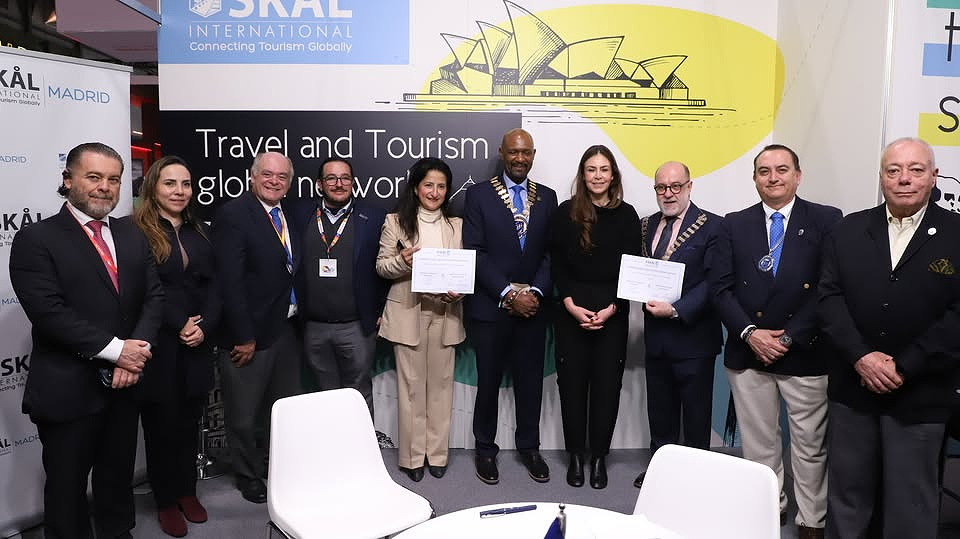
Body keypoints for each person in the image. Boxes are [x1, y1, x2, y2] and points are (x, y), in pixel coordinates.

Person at [9, 142, 163, 539]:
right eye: (93, 177)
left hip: (124, 388)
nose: (105, 187)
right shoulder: (36, 239)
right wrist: (119, 352)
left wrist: (135, 353)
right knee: (67, 490)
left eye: (113, 179)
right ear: (68, 180)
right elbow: (49, 313)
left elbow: (153, 298)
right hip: (68, 391)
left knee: (117, 480)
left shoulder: (132, 234)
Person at [819, 137, 960, 538]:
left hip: (922, 393)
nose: (904, 179)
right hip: (853, 388)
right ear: (881, 177)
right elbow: (828, 299)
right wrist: (862, 358)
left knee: (910, 504)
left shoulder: (956, 233)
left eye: (916, 170)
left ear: (934, 176)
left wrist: (904, 366)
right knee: (847, 499)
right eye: (893, 170)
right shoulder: (847, 230)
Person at [707, 144, 841, 538]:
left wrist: (789, 337)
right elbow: (720, 289)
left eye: (782, 169)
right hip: (749, 351)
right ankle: (769, 506)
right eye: (764, 171)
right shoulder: (734, 224)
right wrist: (750, 333)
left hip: (806, 350)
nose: (773, 177)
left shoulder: (826, 220)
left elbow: (828, 287)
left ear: (798, 175)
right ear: (754, 179)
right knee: (759, 444)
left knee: (809, 445)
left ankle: (812, 519)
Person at [212, 151, 309, 504]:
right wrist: (243, 336)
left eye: (282, 177)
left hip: (285, 328)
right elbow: (229, 282)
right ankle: (248, 475)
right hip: (249, 334)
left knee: (282, 409)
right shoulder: (234, 214)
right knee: (244, 413)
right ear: (252, 177)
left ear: (289, 183)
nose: (274, 181)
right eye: (267, 174)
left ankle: (275, 466)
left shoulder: (287, 214)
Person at [463, 128, 558, 485]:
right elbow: (476, 251)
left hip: (533, 308)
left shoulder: (547, 197)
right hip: (492, 307)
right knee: (488, 383)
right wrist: (508, 294)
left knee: (530, 384)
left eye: (526, 152)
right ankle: (485, 449)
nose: (520, 158)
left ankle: (529, 448)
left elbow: (551, 253)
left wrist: (535, 292)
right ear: (502, 153)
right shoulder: (478, 195)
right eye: (514, 152)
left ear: (533, 155)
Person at [133, 156, 220, 537]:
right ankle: (166, 500)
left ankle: (187, 491)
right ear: (153, 187)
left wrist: (205, 326)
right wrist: (179, 322)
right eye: (170, 183)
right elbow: (143, 288)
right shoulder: (136, 232)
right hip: (160, 344)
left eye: (185, 184)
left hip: (196, 343)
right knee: (161, 427)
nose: (179, 191)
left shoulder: (200, 230)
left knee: (188, 422)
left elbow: (215, 285)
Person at [549, 145, 639, 489]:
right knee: (572, 388)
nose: (598, 176)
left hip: (612, 315)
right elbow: (557, 265)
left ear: (613, 175)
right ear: (583, 175)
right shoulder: (565, 212)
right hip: (570, 313)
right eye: (591, 169)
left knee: (607, 389)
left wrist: (612, 308)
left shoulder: (627, 215)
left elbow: (631, 269)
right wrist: (570, 305)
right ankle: (576, 456)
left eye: (604, 169)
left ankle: (599, 457)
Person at [633, 161, 723, 488]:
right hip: (656, 338)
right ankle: (661, 471)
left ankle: (696, 478)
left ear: (689, 186)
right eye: (661, 187)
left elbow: (714, 282)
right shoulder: (645, 226)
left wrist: (676, 310)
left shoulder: (714, 226)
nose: (668, 193)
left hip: (694, 338)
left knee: (696, 416)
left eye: (675, 186)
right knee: (660, 412)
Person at [376, 157, 465, 482]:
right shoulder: (395, 222)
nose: (435, 192)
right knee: (411, 389)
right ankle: (412, 458)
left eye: (441, 186)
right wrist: (402, 261)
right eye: (428, 185)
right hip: (408, 312)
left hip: (446, 313)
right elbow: (381, 267)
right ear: (416, 187)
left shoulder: (456, 225)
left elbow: (464, 271)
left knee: (441, 388)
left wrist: (460, 292)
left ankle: (437, 454)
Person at [295, 157, 388, 419]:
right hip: (314, 327)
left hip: (356, 327)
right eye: (331, 178)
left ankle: (361, 444)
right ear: (319, 184)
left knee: (358, 395)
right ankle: (331, 444)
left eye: (345, 178)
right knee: (324, 396)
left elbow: (386, 267)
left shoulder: (374, 217)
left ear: (353, 182)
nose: (339, 184)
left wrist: (382, 309)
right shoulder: (300, 214)